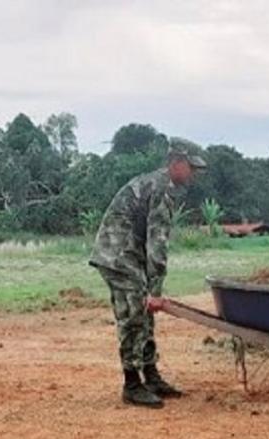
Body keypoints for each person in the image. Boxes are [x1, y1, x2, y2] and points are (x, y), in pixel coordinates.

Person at [89, 138, 207, 408]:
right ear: (177, 164)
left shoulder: (159, 183)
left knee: (144, 314)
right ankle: (132, 384)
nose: (193, 175)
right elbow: (158, 243)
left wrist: (152, 292)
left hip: (128, 253)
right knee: (133, 315)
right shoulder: (162, 189)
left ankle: (150, 375)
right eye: (191, 168)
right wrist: (156, 290)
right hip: (118, 254)